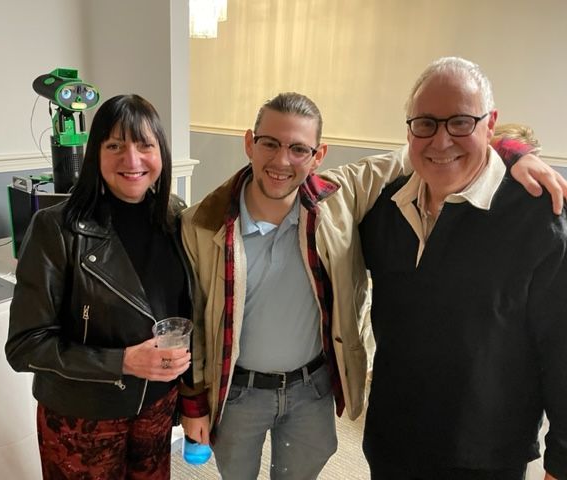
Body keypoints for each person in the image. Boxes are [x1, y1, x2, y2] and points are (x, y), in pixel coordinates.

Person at [178, 91, 567, 480]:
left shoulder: (338, 197)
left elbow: (429, 148)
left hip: (310, 391)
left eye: (299, 148)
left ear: (319, 155)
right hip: (239, 392)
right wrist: (193, 402)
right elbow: (191, 316)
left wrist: (511, 149)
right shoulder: (204, 223)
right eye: (270, 144)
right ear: (250, 142)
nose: (282, 160)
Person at [359, 57, 567, 480]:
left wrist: (561, 459)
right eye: (425, 124)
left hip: (484, 453)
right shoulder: (387, 206)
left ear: (490, 124)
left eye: (460, 122)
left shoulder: (537, 218)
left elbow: (562, 347)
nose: (440, 141)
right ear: (409, 129)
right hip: (391, 442)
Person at [5, 94, 193, 479]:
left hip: (156, 409)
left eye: (145, 145)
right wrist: (120, 361)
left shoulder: (177, 218)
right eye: (115, 146)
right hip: (84, 417)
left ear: (162, 153)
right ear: (95, 155)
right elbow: (25, 346)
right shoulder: (55, 229)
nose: (133, 160)